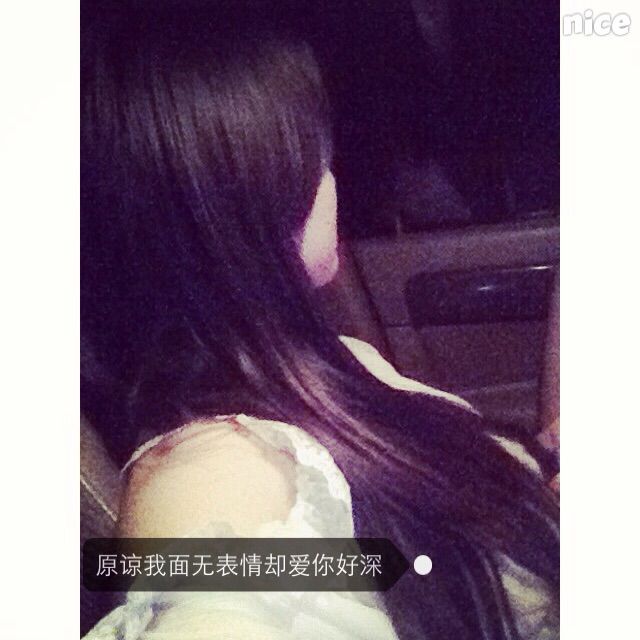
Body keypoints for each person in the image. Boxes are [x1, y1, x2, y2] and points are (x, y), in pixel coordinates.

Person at [81, 3, 559, 639]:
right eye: (314, 158)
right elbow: (207, 605)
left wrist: (542, 469)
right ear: (246, 198)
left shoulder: (324, 365)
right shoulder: (210, 470)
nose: (334, 180)